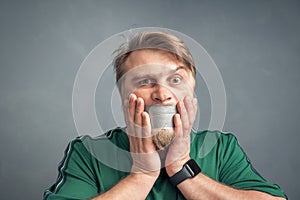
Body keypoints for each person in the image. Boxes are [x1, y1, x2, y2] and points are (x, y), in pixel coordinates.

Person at [44, 31, 287, 199]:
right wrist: (142, 174)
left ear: (192, 89)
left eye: (176, 79)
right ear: (122, 94)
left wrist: (182, 169)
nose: (163, 94)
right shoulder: (88, 152)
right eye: (145, 81)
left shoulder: (221, 148)